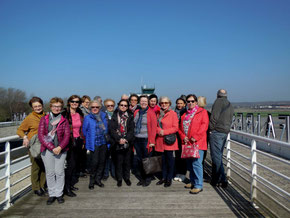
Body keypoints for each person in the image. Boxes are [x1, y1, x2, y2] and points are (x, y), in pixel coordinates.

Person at [38, 97, 70, 205]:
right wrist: (52, 148)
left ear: (61, 108)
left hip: (61, 149)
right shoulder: (44, 119)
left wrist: (60, 147)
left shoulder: (64, 120)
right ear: (51, 107)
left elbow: (67, 136)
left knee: (60, 172)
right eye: (55, 106)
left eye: (59, 106)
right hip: (47, 150)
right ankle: (52, 194)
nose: (57, 108)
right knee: (50, 173)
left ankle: (59, 194)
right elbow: (41, 136)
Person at [178, 94, 209, 194]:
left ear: (196, 102)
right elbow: (180, 128)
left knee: (196, 164)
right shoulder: (184, 114)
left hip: (198, 142)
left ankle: (198, 185)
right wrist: (183, 137)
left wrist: (195, 137)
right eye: (188, 101)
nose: (190, 103)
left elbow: (204, 126)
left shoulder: (202, 112)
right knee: (190, 164)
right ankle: (192, 181)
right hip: (187, 143)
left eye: (192, 101)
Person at [17, 97, 46, 197]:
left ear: (42, 106)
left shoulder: (46, 115)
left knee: (44, 166)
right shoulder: (29, 118)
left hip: (45, 145)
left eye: (39, 106)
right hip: (34, 146)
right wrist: (25, 137)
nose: (38, 108)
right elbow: (19, 130)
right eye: (35, 106)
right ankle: (36, 188)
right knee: (35, 167)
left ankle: (42, 185)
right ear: (32, 108)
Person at [209, 89, 234, 188]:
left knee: (216, 157)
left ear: (217, 95)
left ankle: (220, 179)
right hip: (225, 132)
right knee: (218, 156)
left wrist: (211, 129)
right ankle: (220, 179)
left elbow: (214, 117)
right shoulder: (229, 104)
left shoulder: (218, 102)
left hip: (217, 132)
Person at [82, 100, 108, 190]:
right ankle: (92, 181)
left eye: (97, 107)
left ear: (100, 108)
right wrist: (89, 140)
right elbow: (84, 131)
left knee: (102, 162)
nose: (95, 109)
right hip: (94, 144)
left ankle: (98, 180)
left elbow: (106, 129)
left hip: (103, 142)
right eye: (93, 107)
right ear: (90, 108)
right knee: (94, 163)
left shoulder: (104, 116)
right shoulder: (87, 118)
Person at [62, 95, 84, 197]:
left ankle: (70, 184)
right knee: (70, 165)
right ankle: (66, 188)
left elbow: (81, 129)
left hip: (78, 141)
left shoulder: (80, 113)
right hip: (68, 142)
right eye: (73, 101)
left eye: (77, 102)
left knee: (75, 164)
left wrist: (83, 141)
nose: (75, 103)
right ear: (69, 102)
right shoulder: (64, 114)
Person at [109, 99, 135, 187]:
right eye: (121, 105)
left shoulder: (130, 116)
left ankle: (127, 178)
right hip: (117, 142)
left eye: (125, 105)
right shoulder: (115, 115)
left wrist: (126, 139)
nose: (123, 107)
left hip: (127, 142)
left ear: (128, 107)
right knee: (119, 162)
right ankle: (119, 179)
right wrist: (119, 139)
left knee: (127, 162)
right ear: (119, 105)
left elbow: (132, 130)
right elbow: (112, 129)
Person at [133, 95, 157, 187]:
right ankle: (142, 178)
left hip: (146, 139)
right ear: (139, 102)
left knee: (147, 159)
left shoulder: (151, 113)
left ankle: (148, 178)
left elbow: (154, 128)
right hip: (137, 139)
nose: (143, 103)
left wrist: (152, 141)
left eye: (145, 102)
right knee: (139, 159)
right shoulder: (137, 112)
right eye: (142, 101)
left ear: (148, 103)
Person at [155, 96, 179, 187]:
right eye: (162, 103)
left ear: (169, 104)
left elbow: (175, 128)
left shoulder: (173, 114)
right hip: (160, 140)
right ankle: (163, 177)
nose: (164, 104)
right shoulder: (158, 113)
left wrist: (164, 132)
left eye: (166, 103)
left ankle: (169, 178)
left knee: (170, 160)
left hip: (169, 141)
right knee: (162, 161)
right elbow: (155, 125)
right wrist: (158, 131)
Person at [173, 97, 187, 182]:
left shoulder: (186, 112)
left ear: (184, 104)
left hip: (184, 137)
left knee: (183, 156)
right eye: (178, 103)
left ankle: (183, 173)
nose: (179, 105)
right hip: (176, 136)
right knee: (177, 155)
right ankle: (177, 172)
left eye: (181, 103)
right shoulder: (174, 112)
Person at [198, 96, 211, 181]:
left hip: (196, 137)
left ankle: (198, 173)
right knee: (202, 156)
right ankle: (201, 173)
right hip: (204, 137)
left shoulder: (195, 113)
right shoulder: (208, 113)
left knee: (196, 158)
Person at [102, 98, 116, 180]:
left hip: (114, 139)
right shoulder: (102, 115)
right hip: (105, 138)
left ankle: (113, 172)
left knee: (114, 157)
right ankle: (106, 173)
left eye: (112, 105)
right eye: (108, 105)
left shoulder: (117, 114)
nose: (110, 107)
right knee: (106, 157)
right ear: (105, 106)